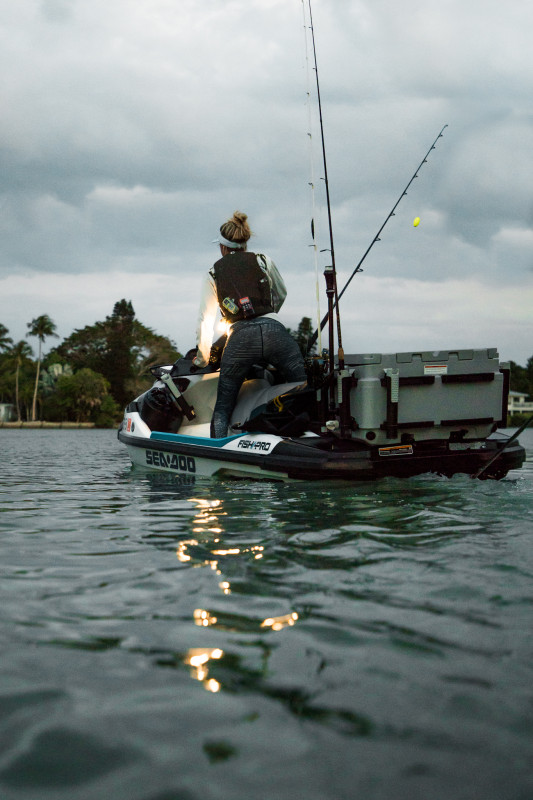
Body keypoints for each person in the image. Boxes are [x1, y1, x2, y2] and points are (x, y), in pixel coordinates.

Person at [195, 211, 307, 438]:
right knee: (304, 389)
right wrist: (267, 315)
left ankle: (219, 453)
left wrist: (203, 358)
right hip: (276, 332)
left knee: (223, 408)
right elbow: (281, 293)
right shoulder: (262, 260)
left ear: (223, 248)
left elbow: (205, 320)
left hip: (240, 339)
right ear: (245, 245)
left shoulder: (213, 272)